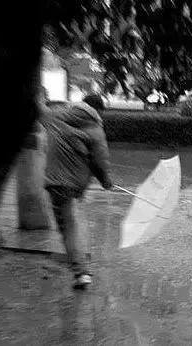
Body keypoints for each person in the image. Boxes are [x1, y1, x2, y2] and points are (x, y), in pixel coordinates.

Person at [42, 94, 113, 289]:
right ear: (96, 110)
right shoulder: (95, 128)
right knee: (70, 224)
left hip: (54, 181)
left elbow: (40, 114)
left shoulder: (56, 116)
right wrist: (106, 181)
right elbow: (100, 160)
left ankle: (80, 270)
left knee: (67, 226)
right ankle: (81, 271)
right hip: (74, 184)